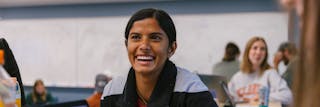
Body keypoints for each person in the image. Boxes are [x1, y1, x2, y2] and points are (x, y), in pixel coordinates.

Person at [101, 8, 218, 107]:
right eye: (136, 37)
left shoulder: (191, 90)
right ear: (127, 45)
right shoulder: (113, 90)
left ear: (171, 48)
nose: (144, 46)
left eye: (155, 38)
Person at [228, 37, 292, 105]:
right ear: (247, 52)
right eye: (255, 48)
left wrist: (262, 97)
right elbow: (227, 98)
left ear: (265, 54)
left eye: (262, 49)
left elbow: (288, 96)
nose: (258, 52)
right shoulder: (237, 77)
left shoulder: (270, 74)